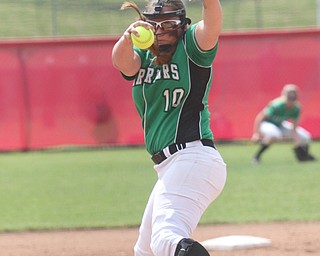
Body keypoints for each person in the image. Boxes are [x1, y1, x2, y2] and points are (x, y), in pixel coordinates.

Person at [112, 1, 227, 256]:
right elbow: (121, 62)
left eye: (169, 23)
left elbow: (213, 21)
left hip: (192, 157)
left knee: (165, 240)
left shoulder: (191, 46)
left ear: (181, 24)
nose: (162, 30)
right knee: (146, 250)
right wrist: (127, 37)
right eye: (156, 24)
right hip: (169, 166)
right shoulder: (143, 55)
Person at [251, 83, 316, 163]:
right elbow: (260, 117)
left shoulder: (296, 108)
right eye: (289, 96)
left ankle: (305, 155)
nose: (291, 99)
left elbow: (294, 129)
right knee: (274, 134)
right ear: (284, 95)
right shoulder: (277, 105)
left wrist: (298, 145)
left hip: (280, 124)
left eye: (293, 96)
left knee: (305, 136)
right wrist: (256, 133)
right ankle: (257, 156)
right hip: (266, 123)